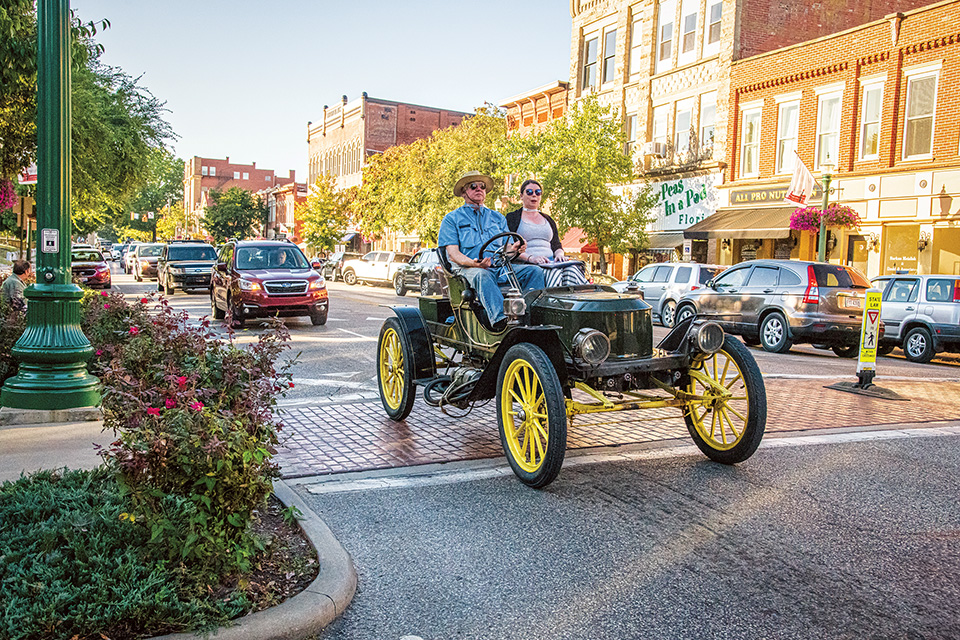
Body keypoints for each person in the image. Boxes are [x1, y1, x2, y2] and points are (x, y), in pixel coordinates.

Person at [438, 170, 545, 330]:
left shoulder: (497, 218)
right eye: (473, 186)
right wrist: (474, 263)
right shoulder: (452, 219)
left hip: (498, 268)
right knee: (483, 275)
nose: (479, 189)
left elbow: (505, 250)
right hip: (467, 272)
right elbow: (453, 255)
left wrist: (515, 248)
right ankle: (502, 323)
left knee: (534, 271)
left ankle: (531, 315)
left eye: (482, 186)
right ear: (463, 192)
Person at [505, 179, 588, 287]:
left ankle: (574, 301)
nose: (534, 195)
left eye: (537, 192)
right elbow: (509, 247)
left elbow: (556, 244)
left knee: (571, 270)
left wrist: (559, 255)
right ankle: (552, 302)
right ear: (521, 195)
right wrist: (531, 258)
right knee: (555, 273)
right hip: (529, 264)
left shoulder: (548, 219)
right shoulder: (512, 218)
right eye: (529, 192)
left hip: (551, 262)